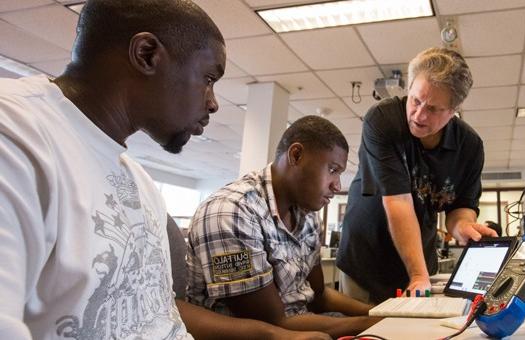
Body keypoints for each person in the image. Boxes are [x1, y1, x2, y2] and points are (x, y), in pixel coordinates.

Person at [0, 1, 328, 339]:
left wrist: (272, 336)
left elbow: (158, 311)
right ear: (146, 54)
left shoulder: (138, 182)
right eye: (209, 78)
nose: (213, 101)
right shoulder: (16, 133)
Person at [185, 116, 381, 338]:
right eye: (333, 170)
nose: (337, 185)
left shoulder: (308, 216)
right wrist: (372, 323)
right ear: (296, 155)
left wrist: (380, 313)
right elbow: (274, 322)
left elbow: (319, 296)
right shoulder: (233, 211)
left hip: (301, 329)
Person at [335, 47, 498, 304]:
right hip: (366, 258)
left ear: (454, 109)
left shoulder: (469, 146)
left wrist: (462, 226)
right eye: (415, 100)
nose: (419, 116)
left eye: (433, 109)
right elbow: (398, 201)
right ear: (409, 87)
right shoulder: (383, 120)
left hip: (417, 259)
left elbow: (460, 208)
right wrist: (419, 275)